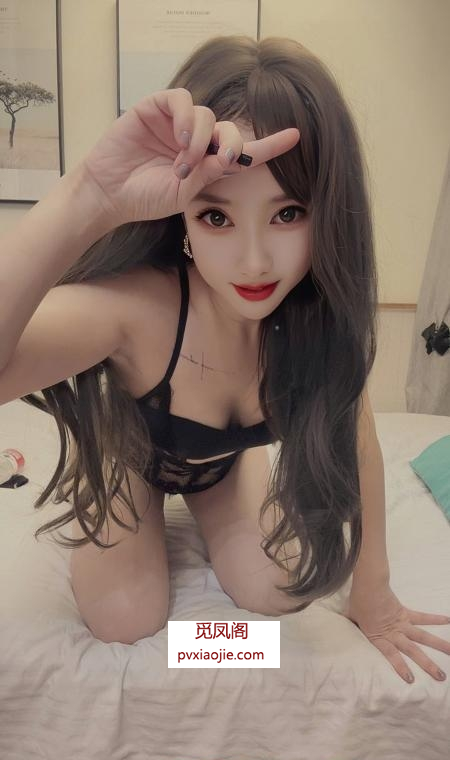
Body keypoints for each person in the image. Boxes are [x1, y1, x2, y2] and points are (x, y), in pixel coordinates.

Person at [1, 35, 449, 680]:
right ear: (181, 217)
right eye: (216, 218)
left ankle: (201, 641)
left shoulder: (314, 323)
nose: (254, 262)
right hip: (129, 459)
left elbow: (356, 435)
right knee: (127, 621)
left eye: (288, 213)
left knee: (279, 594)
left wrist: (373, 593)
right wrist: (89, 195)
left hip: (222, 469)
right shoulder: (139, 310)